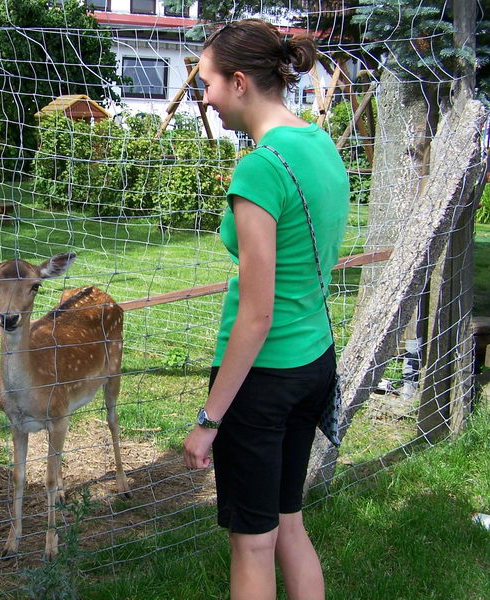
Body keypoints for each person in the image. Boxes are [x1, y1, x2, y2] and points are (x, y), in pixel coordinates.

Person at [182, 19, 349, 600]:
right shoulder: (319, 143)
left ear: (239, 82)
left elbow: (256, 315)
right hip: (314, 362)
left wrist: (209, 422)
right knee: (288, 522)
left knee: (253, 542)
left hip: (264, 378)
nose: (204, 97)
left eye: (206, 82)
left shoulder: (260, 169)